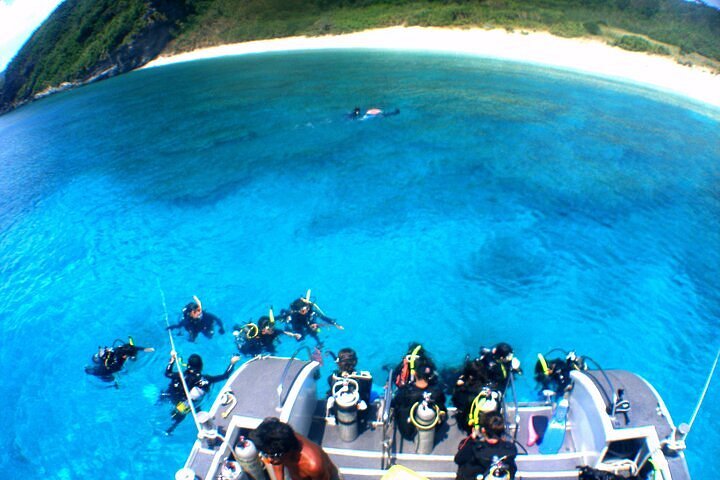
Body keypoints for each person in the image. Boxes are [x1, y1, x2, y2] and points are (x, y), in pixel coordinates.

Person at [162, 352, 240, 434]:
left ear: (188, 365)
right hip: (186, 404)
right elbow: (225, 376)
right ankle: (171, 428)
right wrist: (232, 363)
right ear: (201, 365)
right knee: (190, 409)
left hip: (174, 397)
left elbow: (167, 373)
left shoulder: (180, 375)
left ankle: (161, 405)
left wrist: (172, 361)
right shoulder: (206, 379)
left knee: (166, 393)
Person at [250, 417, 340, 480]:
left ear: (286, 452)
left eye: (270, 456)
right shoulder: (282, 445)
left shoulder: (314, 466)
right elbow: (276, 461)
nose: (268, 460)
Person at [392, 358, 447, 440]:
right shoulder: (437, 392)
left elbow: (394, 403)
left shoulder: (406, 392)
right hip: (433, 431)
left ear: (414, 373)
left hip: (408, 433)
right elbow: (443, 406)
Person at [454, 413, 518, 480]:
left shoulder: (474, 448)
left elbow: (458, 459)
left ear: (483, 430)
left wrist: (471, 439)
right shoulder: (510, 448)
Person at [326, 348, 373, 426]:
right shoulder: (364, 379)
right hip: (358, 417)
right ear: (355, 362)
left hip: (338, 417)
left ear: (339, 363)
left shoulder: (332, 378)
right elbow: (366, 396)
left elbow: (331, 393)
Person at [85, 337, 154, 383]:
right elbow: (114, 368)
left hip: (103, 359)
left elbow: (133, 348)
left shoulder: (121, 348)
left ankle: (91, 366)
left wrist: (146, 349)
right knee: (110, 379)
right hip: (103, 369)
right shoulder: (117, 364)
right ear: (125, 356)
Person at [233, 314, 301, 356]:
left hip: (267, 343)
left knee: (272, 350)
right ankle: (238, 329)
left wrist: (294, 335)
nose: (273, 329)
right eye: (270, 329)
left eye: (273, 327)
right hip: (253, 346)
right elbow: (246, 349)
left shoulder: (273, 331)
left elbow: (284, 332)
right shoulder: (256, 338)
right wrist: (256, 355)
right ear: (263, 330)